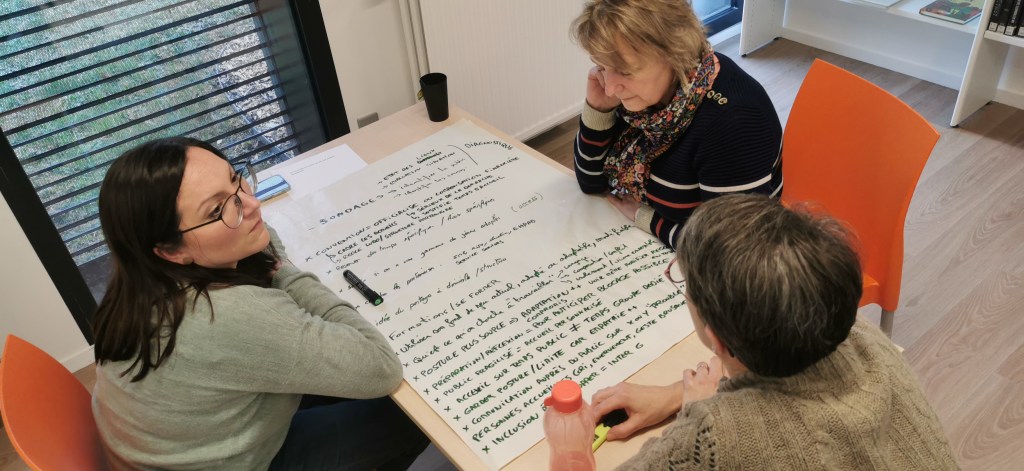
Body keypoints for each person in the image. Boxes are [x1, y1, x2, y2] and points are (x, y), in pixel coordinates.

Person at [91, 137, 428, 470]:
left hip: (175, 445)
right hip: (239, 462)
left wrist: (251, 236)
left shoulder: (141, 279)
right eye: (217, 209)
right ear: (170, 250)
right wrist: (287, 273)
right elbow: (381, 369)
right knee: (414, 414)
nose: (251, 204)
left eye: (235, 179)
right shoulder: (225, 315)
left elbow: (264, 237)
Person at [590, 194, 958, 469]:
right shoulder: (856, 333)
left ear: (718, 340)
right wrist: (677, 394)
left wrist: (695, 410)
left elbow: (723, 440)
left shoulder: (715, 434)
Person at [571, 0, 783, 248]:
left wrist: (649, 220)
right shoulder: (641, 98)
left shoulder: (733, 124)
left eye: (625, 71)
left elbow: (732, 250)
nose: (609, 87)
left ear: (674, 53)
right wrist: (598, 110)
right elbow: (591, 182)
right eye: (602, 66)